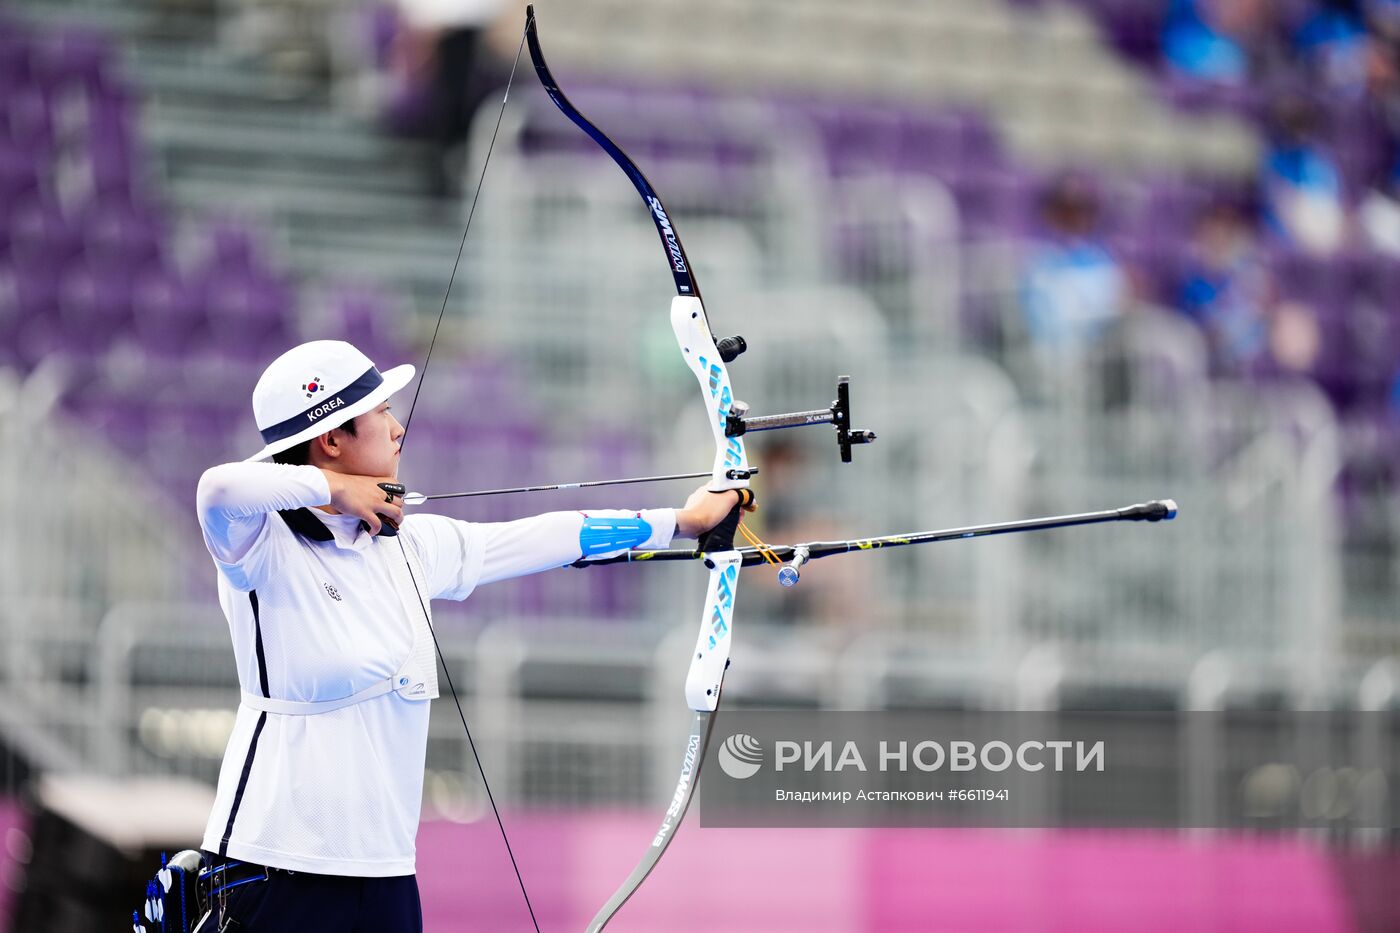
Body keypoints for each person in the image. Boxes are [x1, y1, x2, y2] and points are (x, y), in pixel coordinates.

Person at [194, 339, 742, 931]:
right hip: (274, 863)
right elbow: (217, 489)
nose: (398, 427)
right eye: (380, 412)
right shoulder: (260, 547)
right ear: (331, 439)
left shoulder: (411, 544)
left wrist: (682, 523)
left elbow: (549, 537)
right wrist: (334, 489)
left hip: (384, 874)